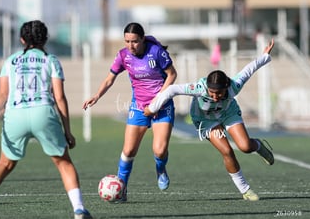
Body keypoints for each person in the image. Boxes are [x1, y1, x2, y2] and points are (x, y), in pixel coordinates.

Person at [0, 20, 92, 219]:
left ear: (22, 39)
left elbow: (2, 94)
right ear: (46, 38)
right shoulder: (51, 60)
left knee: (4, 163)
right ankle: (78, 209)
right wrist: (67, 131)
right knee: (63, 162)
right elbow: (59, 97)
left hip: (15, 114)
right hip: (43, 112)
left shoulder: (11, 61)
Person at [144, 39, 276, 201]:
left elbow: (249, 69)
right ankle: (245, 190)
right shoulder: (199, 88)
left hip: (228, 113)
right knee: (227, 151)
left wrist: (264, 56)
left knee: (245, 146)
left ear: (226, 86)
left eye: (218, 94)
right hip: (206, 121)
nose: (214, 96)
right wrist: (152, 108)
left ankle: (258, 146)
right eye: (212, 93)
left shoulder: (234, 85)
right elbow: (171, 89)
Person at [82, 22, 177, 201]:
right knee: (128, 150)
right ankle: (122, 189)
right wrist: (96, 96)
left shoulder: (156, 52)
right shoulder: (123, 56)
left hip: (162, 106)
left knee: (159, 150)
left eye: (134, 41)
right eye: (127, 41)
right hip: (139, 107)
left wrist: (157, 102)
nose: (130, 46)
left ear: (142, 39)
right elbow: (110, 79)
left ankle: (160, 168)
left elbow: (172, 74)